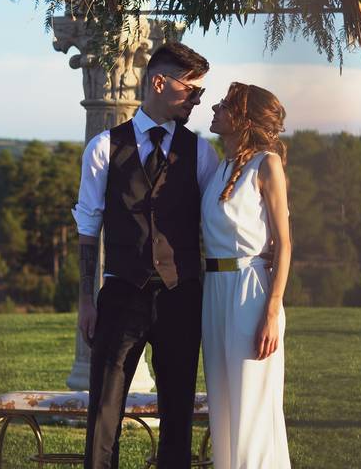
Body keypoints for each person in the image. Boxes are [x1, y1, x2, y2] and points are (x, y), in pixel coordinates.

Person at [72, 42, 219, 469]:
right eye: (192, 91)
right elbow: (88, 226)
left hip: (181, 295)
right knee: (104, 412)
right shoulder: (103, 147)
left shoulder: (200, 153)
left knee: (177, 414)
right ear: (160, 82)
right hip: (121, 295)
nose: (197, 101)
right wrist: (86, 298)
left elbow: (218, 222)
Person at [201, 82, 293, 469]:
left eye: (224, 104)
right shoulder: (219, 166)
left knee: (251, 405)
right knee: (222, 407)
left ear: (243, 117)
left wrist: (272, 312)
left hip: (250, 292)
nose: (215, 108)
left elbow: (285, 245)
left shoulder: (266, 164)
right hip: (214, 291)